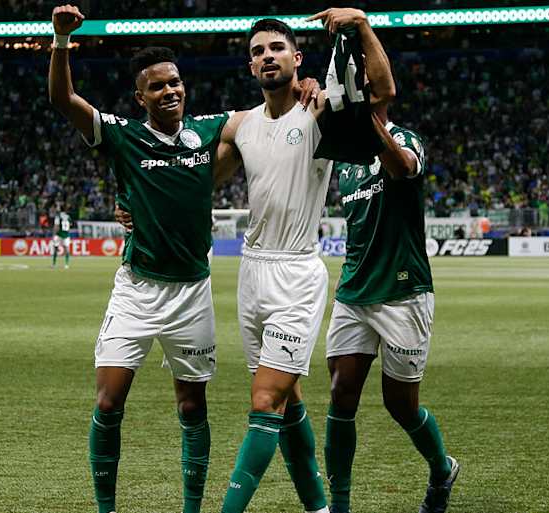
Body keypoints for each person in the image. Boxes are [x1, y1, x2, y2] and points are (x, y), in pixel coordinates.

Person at [49, 6, 239, 513]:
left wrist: (304, 91)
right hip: (137, 289)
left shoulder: (209, 131)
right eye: (157, 87)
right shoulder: (124, 136)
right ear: (141, 98)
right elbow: (63, 99)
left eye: (175, 82)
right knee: (108, 401)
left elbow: (264, 118)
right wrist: (61, 40)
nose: (169, 91)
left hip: (192, 292)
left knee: (192, 406)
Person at [213, 10, 395, 513]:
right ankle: (319, 508)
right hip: (251, 272)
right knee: (286, 399)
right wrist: (134, 207)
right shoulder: (241, 125)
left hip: (295, 274)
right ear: (250, 66)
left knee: (264, 400)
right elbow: (192, 182)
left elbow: (383, 92)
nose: (266, 56)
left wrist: (362, 25)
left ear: (297, 58)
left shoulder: (320, 110)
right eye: (257, 52)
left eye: (276, 48)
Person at [324, 104, 458, 513]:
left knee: (400, 405)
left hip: (403, 292)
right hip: (354, 291)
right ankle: (339, 506)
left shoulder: (403, 138)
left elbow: (402, 167)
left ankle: (442, 469)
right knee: (341, 395)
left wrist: (365, 120)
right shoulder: (344, 161)